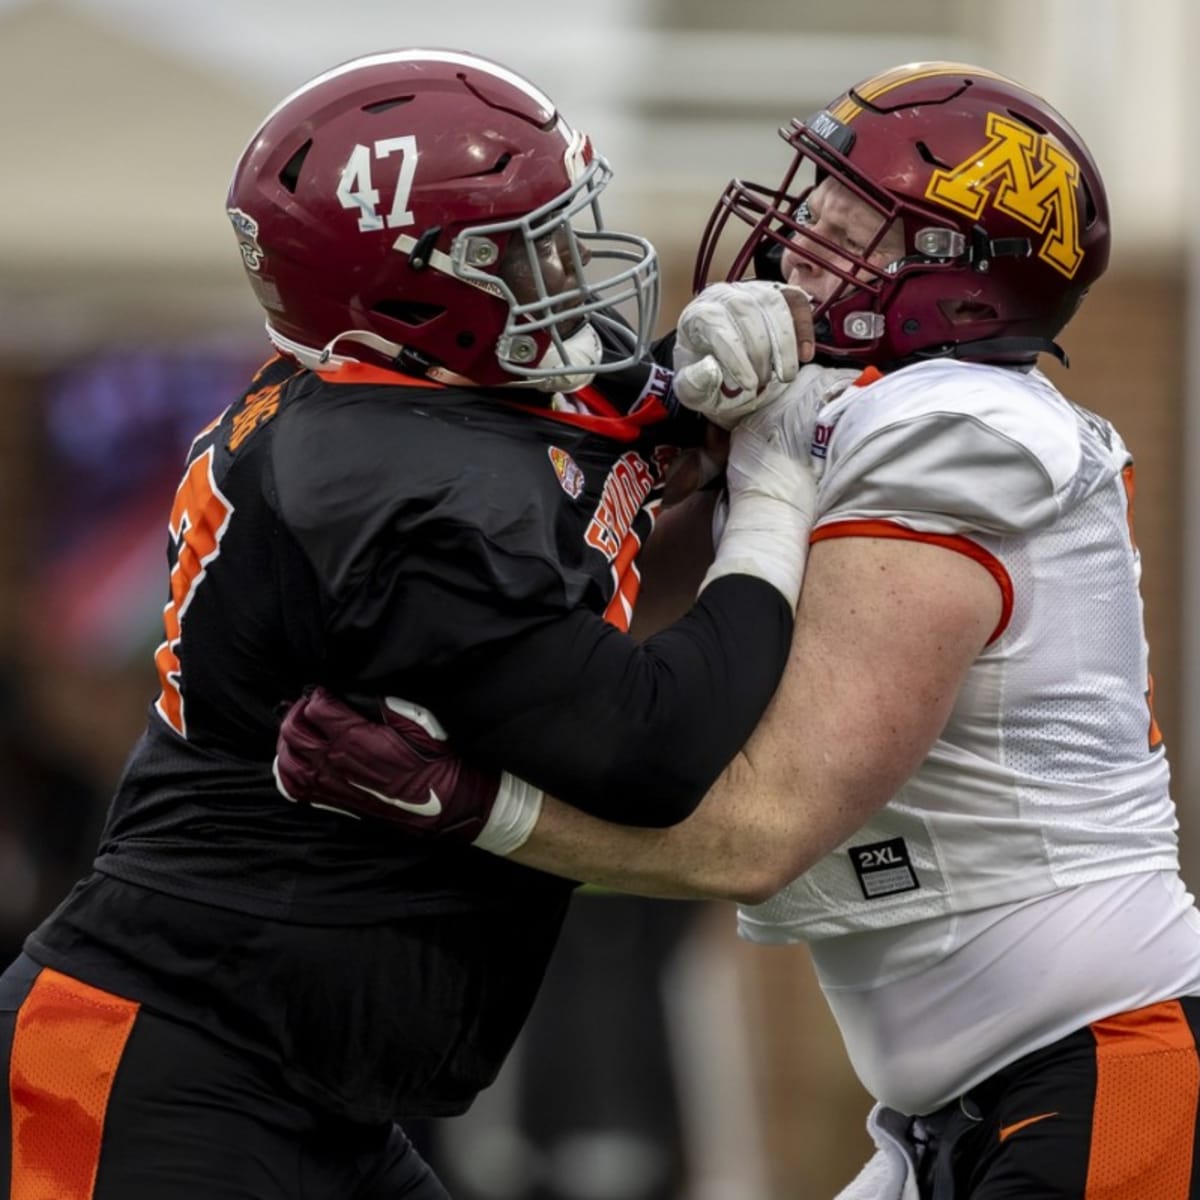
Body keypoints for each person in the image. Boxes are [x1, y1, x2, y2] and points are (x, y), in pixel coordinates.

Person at [275, 62, 1200, 1199]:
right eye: (816, 190)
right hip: (964, 1105)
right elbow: (616, 575)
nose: (808, 228)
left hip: (1096, 1071)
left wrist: (475, 807)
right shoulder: (860, 402)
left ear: (962, 274)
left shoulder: (956, 430)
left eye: (861, 212)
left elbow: (762, 829)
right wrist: (682, 415)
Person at [0, 47, 822, 1200]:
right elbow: (655, 749)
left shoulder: (389, 405)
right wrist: (778, 501)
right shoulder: (405, 501)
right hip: (165, 1072)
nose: (569, 269)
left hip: (289, 1077)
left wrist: (700, 372)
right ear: (409, 288)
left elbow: (603, 438)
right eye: (527, 251)